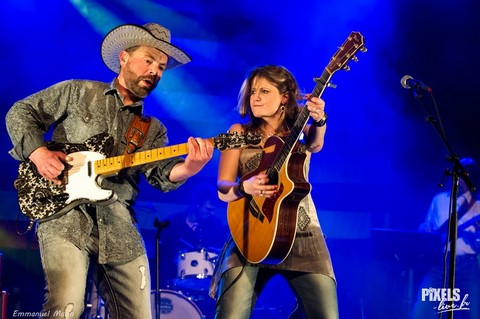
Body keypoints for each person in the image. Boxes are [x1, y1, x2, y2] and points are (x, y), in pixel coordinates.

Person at [5, 22, 213, 319]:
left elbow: (162, 173)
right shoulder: (78, 91)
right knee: (65, 308)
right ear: (124, 58)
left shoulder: (153, 129)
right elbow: (21, 112)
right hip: (65, 217)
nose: (156, 71)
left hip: (119, 226)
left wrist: (191, 167)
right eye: (149, 60)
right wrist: (39, 153)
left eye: (162, 67)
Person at [210, 65, 338, 318]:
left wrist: (320, 119)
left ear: (285, 97)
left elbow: (315, 143)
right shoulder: (238, 133)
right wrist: (242, 187)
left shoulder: (299, 127)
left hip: (302, 232)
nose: (255, 97)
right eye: (252, 91)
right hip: (251, 232)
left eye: (264, 91)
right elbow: (223, 189)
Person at [412, 157, 480, 319]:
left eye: (465, 175)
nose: (460, 179)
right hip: (439, 266)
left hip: (467, 268)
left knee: (475, 313)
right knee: (419, 314)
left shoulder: (477, 205)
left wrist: (474, 239)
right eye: (457, 174)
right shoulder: (439, 200)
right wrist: (424, 229)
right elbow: (428, 226)